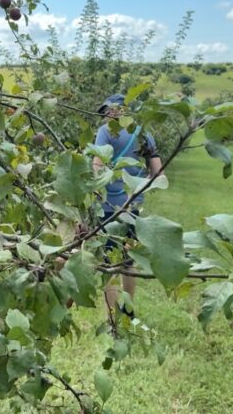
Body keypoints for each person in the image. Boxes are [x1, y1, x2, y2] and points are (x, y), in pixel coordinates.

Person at [92, 93, 163, 322]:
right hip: (132, 209)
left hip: (108, 208)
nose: (107, 116)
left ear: (119, 110)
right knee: (128, 260)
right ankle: (129, 311)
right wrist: (136, 190)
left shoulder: (106, 132)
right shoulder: (144, 134)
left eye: (109, 111)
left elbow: (97, 168)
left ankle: (112, 318)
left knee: (108, 264)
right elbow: (158, 174)